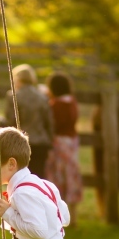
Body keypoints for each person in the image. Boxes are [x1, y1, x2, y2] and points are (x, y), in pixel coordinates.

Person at [44, 72, 83, 227]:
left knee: (57, 177)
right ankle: (73, 217)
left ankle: (58, 218)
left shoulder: (55, 105)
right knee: (71, 177)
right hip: (72, 142)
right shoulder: (72, 102)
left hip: (59, 143)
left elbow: (53, 125)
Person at [6, 64, 53, 178]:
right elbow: (49, 122)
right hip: (41, 143)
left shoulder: (14, 96)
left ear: (17, 79)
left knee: (21, 177)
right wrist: (50, 140)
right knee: (39, 177)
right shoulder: (42, 97)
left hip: (21, 144)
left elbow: (11, 121)